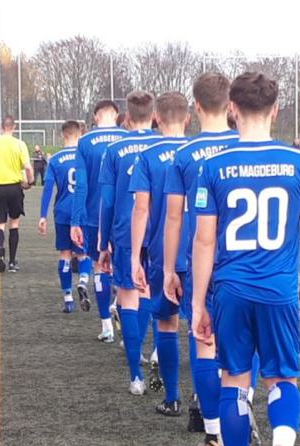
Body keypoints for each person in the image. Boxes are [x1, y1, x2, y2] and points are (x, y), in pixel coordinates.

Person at [191, 72, 300, 446]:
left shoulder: (214, 165)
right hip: (278, 290)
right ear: (275, 110)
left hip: (230, 290)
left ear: (232, 109)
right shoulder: (298, 162)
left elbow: (204, 241)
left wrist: (198, 302)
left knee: (234, 382)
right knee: (282, 379)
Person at [161, 73, 246, 446]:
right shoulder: (246, 145)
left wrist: (168, 268)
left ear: (196, 107)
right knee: (241, 349)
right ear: (230, 105)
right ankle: (240, 414)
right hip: (243, 263)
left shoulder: (184, 154)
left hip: (202, 262)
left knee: (203, 340)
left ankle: (214, 432)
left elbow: (175, 217)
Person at [98, 90, 164, 397]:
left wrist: (103, 240)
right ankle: (156, 352)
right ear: (153, 116)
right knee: (153, 291)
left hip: (126, 231)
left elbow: (108, 200)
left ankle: (136, 376)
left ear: (126, 117)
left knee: (128, 295)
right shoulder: (166, 146)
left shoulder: (115, 149)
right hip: (162, 230)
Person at [129, 91, 191, 414]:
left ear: (156, 119)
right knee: (202, 327)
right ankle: (205, 402)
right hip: (202, 254)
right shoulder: (200, 152)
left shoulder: (148, 155)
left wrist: (134, 254)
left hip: (161, 253)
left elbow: (141, 209)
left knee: (166, 324)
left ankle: (172, 398)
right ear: (188, 118)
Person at [70, 100, 127, 342]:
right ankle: (123, 313)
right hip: (125, 215)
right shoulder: (128, 138)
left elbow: (80, 185)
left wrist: (75, 220)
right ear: (116, 115)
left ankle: (106, 326)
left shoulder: (85, 142)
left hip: (95, 215)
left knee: (98, 266)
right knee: (126, 269)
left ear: (95, 117)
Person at [37, 120, 85, 313]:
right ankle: (83, 280)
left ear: (63, 135)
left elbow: (48, 189)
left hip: (63, 212)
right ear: (80, 134)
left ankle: (68, 298)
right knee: (83, 253)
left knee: (65, 254)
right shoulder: (86, 157)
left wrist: (43, 216)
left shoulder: (55, 159)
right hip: (82, 211)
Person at [0, 115, 33, 274]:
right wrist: (29, 182)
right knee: (14, 224)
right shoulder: (19, 144)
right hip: (14, 187)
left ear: (1, 127)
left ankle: (0, 249)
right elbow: (28, 168)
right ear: (14, 127)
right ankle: (12, 262)